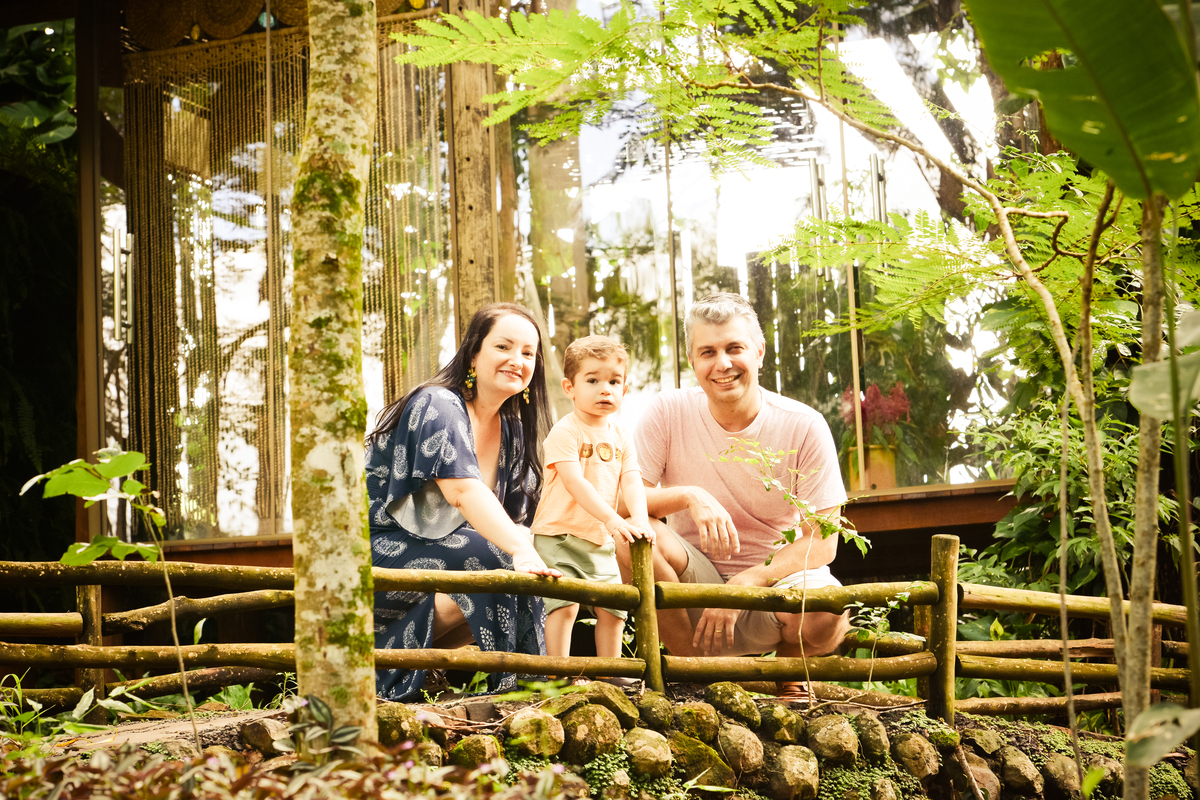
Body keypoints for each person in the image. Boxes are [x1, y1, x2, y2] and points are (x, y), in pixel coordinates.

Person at [623, 292, 850, 698]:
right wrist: (689, 495)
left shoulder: (804, 425)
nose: (722, 364)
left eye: (734, 348)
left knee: (825, 613)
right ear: (692, 361)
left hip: (775, 583)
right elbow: (625, 501)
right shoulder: (667, 411)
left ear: (759, 352)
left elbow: (824, 540)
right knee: (629, 538)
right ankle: (694, 668)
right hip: (694, 582)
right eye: (708, 352)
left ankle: (791, 675)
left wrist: (751, 581)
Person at [366, 302, 562, 701]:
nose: (517, 360)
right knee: (499, 557)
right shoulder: (439, 403)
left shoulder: (511, 429)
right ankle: (518, 690)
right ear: (474, 352)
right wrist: (521, 548)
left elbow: (516, 516)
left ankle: (525, 688)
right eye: (503, 347)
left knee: (520, 567)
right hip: (374, 554)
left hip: (443, 557)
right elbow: (462, 492)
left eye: (528, 353)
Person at [530, 336, 655, 674]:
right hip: (558, 536)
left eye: (614, 381)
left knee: (614, 609)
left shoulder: (621, 435)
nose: (605, 389)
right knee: (564, 606)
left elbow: (631, 480)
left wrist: (640, 521)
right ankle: (559, 675)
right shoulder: (565, 432)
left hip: (598, 540)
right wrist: (615, 520)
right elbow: (575, 483)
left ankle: (610, 675)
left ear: (624, 389)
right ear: (570, 387)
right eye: (593, 380)